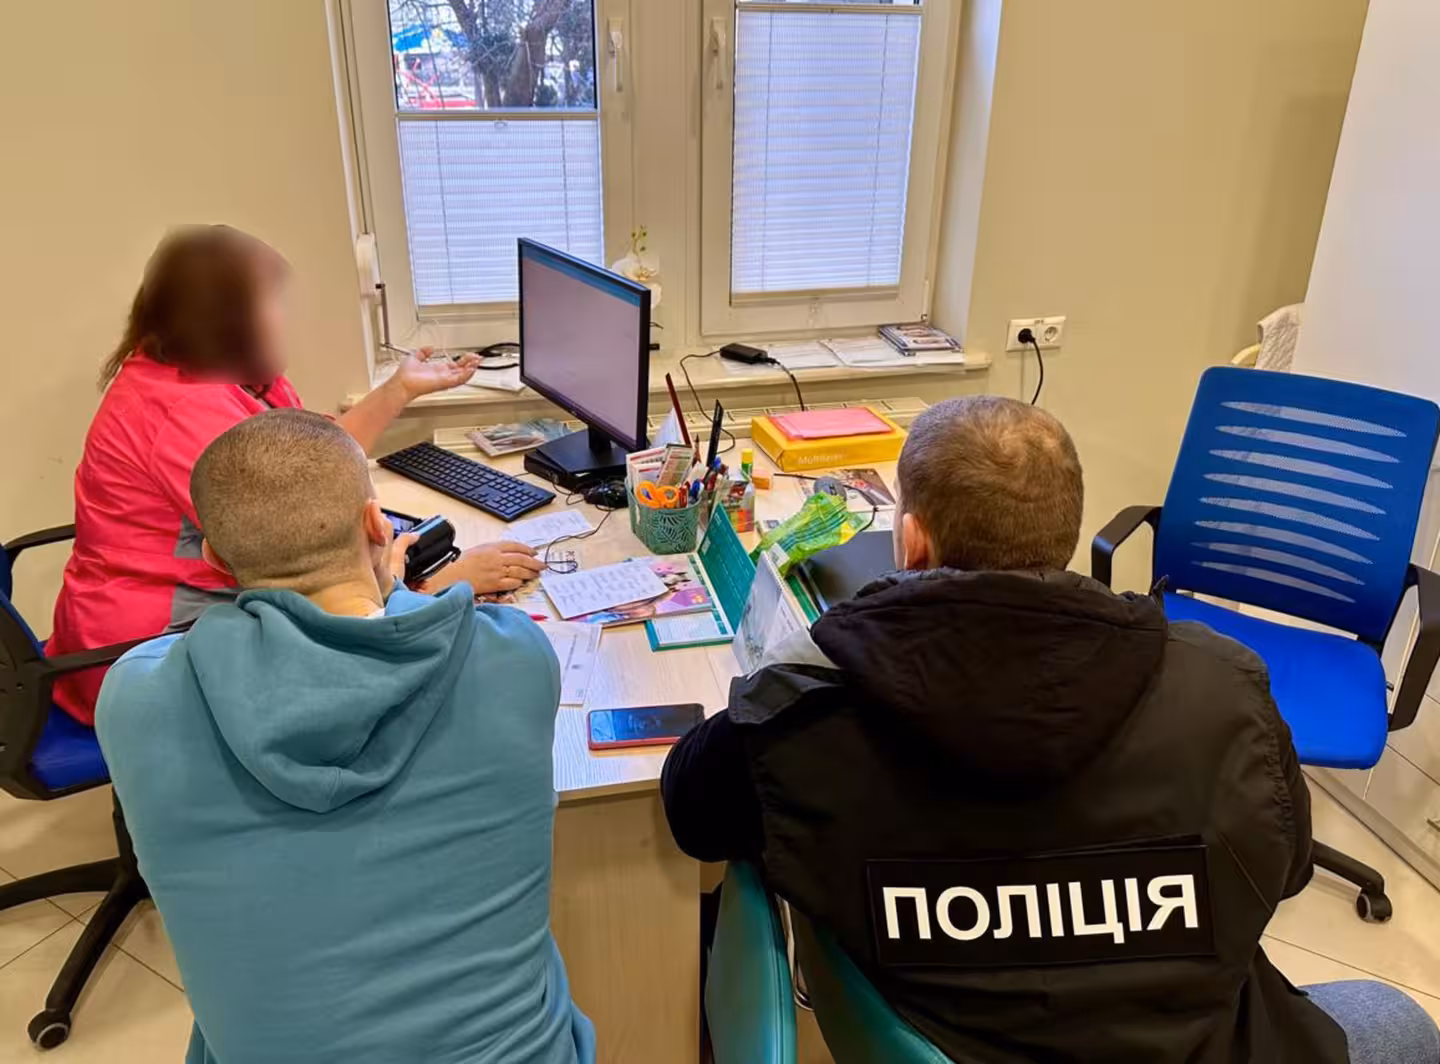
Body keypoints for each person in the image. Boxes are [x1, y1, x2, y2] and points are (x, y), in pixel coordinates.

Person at [662, 396, 1440, 1064]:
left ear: (913, 543)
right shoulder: (1224, 686)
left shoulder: (811, 718)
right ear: (1064, 537)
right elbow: (1289, 869)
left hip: (952, 1043)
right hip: (1197, 1043)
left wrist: (816, 649)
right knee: (1401, 1018)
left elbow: (692, 807)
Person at [95, 409, 593, 1064]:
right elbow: (398, 647)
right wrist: (410, 592)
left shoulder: (137, 698)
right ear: (378, 525)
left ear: (214, 559)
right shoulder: (513, 656)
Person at [48, 224, 543, 724]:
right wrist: (435, 590)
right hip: (149, 657)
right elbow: (301, 559)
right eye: (270, 302)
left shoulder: (208, 376)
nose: (282, 318)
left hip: (165, 621)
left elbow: (315, 461)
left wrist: (400, 389)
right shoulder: (186, 414)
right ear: (229, 318)